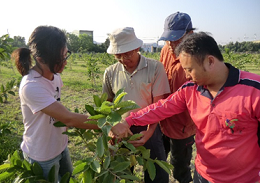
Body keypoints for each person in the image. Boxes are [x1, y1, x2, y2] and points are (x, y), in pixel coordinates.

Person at [111, 32, 260, 182]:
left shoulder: (254, 91)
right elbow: (160, 108)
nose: (187, 76)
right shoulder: (190, 89)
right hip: (203, 175)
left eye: (189, 70)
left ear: (210, 61)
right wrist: (128, 121)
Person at [12, 26, 98, 182]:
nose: (65, 62)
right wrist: (105, 125)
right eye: (61, 58)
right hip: (42, 154)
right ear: (41, 60)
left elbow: (58, 108)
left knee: (68, 178)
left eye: (66, 55)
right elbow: (68, 118)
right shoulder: (31, 86)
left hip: (60, 145)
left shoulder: (55, 76)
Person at [104, 27, 170, 183]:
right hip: (121, 128)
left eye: (127, 54)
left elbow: (158, 106)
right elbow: (107, 104)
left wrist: (149, 132)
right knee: (121, 173)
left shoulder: (155, 68)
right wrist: (111, 128)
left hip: (149, 126)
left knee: (157, 175)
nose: (123, 59)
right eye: (118, 55)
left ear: (137, 48)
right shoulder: (110, 72)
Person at [158, 12, 196, 183]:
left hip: (183, 125)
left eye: (177, 39)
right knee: (158, 159)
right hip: (162, 119)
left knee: (180, 166)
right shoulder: (166, 49)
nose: (172, 44)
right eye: (169, 39)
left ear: (190, 34)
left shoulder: (197, 57)